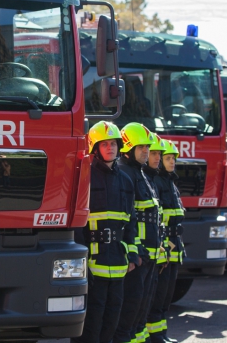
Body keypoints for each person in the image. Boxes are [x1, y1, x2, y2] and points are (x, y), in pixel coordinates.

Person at [72, 121, 136, 343]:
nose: (111, 148)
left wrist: (133, 255)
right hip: (94, 262)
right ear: (95, 148)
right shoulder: (85, 177)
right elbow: (78, 224)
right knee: (92, 318)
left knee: (112, 316)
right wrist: (81, 259)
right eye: (105, 144)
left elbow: (131, 221)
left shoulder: (126, 181)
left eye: (113, 144)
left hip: (118, 262)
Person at [113, 123, 160, 343]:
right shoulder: (125, 173)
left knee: (144, 303)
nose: (146, 152)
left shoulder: (141, 173)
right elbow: (128, 219)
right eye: (141, 147)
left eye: (147, 148)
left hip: (150, 252)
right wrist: (134, 252)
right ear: (128, 148)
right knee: (131, 304)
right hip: (138, 254)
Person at [146, 137, 184, 343]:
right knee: (158, 295)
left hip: (174, 246)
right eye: (167, 158)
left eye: (172, 158)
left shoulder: (170, 182)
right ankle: (154, 335)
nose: (171, 162)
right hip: (165, 247)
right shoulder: (158, 183)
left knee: (167, 295)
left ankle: (161, 333)